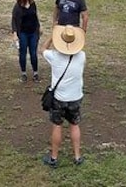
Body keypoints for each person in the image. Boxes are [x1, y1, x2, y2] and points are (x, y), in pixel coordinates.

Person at [41, 25, 87, 168]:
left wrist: (50, 37)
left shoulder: (54, 56)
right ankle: (77, 156)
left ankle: (54, 158)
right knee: (74, 125)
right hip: (75, 96)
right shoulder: (81, 56)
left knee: (57, 126)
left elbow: (42, 49)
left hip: (59, 98)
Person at [11, 0, 41, 83]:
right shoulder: (18, 7)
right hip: (23, 33)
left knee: (33, 53)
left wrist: (39, 28)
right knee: (22, 54)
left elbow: (35, 17)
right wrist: (15, 33)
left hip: (33, 33)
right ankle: (23, 73)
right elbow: (14, 20)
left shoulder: (33, 4)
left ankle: (35, 73)